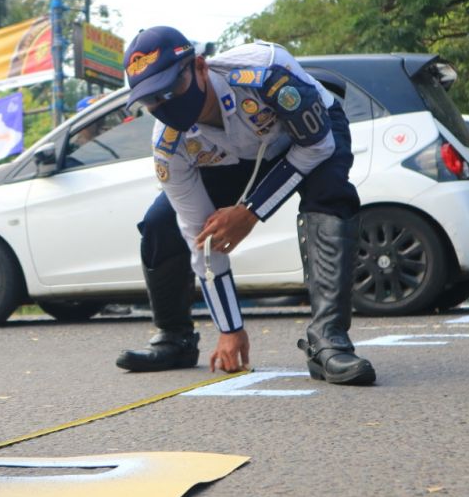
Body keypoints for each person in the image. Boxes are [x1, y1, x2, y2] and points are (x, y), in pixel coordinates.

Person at [115, 26, 376, 386]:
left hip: (308, 137)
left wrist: (251, 211)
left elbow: (316, 148)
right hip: (231, 158)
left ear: (201, 68)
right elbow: (200, 236)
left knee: (329, 194)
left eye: (171, 89)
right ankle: (175, 338)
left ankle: (328, 341)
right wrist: (229, 328)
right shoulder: (170, 147)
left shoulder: (268, 74)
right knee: (161, 222)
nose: (165, 105)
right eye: (151, 101)